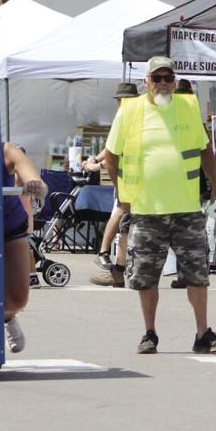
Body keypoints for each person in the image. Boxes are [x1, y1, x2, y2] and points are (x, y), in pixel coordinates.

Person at [105, 57, 216, 354]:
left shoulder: (187, 106)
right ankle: (149, 333)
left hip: (186, 207)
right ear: (146, 81)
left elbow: (204, 150)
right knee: (146, 276)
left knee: (198, 273)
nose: (163, 83)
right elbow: (111, 155)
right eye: (157, 78)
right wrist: (121, 193)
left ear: (174, 81)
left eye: (168, 78)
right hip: (146, 209)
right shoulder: (131, 110)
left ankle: (203, 334)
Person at [90, 82, 140, 288]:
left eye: (124, 99)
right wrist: (96, 160)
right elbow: (111, 149)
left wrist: (97, 163)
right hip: (127, 182)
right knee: (123, 222)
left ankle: (111, 261)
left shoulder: (133, 120)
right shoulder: (126, 119)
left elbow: (114, 152)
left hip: (134, 182)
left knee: (123, 220)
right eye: (120, 100)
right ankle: (114, 265)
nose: (121, 103)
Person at [0, 142, 47, 353]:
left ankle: (8, 316)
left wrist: (36, 185)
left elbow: (36, 181)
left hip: (8, 224)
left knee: (18, 298)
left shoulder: (7, 150)